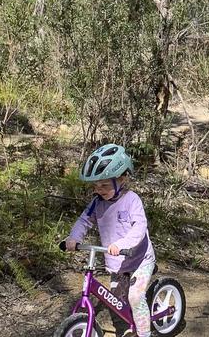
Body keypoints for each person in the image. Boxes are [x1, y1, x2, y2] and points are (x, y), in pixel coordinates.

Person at [65, 144, 156, 337]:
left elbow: (139, 228)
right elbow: (84, 221)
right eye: (96, 186)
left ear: (122, 179)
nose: (99, 190)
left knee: (135, 297)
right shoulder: (97, 202)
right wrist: (74, 238)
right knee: (116, 302)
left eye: (104, 185)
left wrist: (122, 245)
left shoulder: (132, 200)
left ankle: (145, 334)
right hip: (117, 262)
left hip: (139, 260)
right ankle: (127, 328)